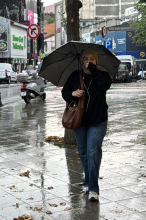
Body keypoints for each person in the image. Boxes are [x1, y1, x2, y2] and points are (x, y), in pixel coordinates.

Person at [61, 49, 112, 202]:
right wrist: (72, 94)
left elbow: (104, 86)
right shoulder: (75, 76)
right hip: (79, 120)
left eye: (92, 59)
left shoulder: (103, 75)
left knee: (93, 152)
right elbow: (65, 92)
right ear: (82, 61)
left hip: (98, 120)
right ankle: (87, 181)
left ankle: (93, 189)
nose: (88, 61)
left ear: (97, 61)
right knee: (83, 152)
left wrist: (93, 70)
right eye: (86, 59)